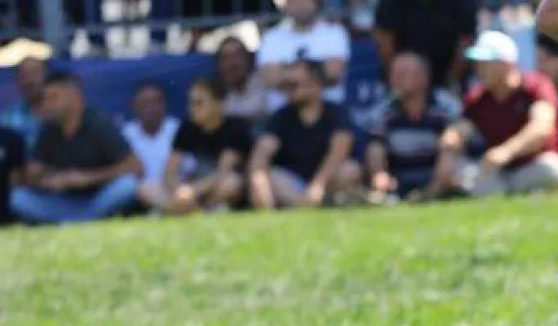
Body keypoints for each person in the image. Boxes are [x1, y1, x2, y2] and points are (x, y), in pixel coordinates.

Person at [8, 70, 142, 225]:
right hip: (62, 201)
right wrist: (49, 179)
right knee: (19, 198)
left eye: (53, 98)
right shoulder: (47, 129)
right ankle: (82, 220)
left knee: (127, 186)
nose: (46, 105)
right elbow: (34, 173)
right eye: (45, 99)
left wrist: (87, 178)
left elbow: (135, 167)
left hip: (98, 198)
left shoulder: (98, 125)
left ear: (74, 98)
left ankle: (78, 220)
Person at [454, 30, 558, 197]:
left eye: (485, 64)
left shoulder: (536, 86)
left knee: (552, 169)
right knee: (460, 171)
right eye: (478, 64)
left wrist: (506, 152)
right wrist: (448, 146)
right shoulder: (478, 97)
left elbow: (541, 128)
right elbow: (460, 130)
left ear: (506, 64)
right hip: (497, 172)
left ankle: (500, 190)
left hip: (533, 165)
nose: (479, 69)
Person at [247, 59, 361, 211]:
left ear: (316, 84)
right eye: (285, 86)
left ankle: (309, 206)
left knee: (350, 170)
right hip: (294, 184)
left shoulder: (337, 113)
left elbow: (338, 152)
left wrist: (318, 185)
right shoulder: (281, 116)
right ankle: (306, 206)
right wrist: (258, 180)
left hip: (326, 183)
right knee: (269, 176)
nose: (288, 90)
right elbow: (262, 153)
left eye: (293, 85)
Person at [137, 76, 251, 215]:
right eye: (190, 103)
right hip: (190, 188)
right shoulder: (187, 128)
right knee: (146, 188)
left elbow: (223, 172)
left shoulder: (235, 127)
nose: (192, 109)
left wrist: (193, 191)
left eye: (199, 103)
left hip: (214, 189)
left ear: (218, 103)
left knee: (231, 183)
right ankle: (186, 210)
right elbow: (170, 170)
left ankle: (194, 211)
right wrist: (178, 190)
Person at [366, 52, 462, 202]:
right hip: (399, 177)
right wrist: (379, 174)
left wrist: (442, 175)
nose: (396, 79)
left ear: (424, 77)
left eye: (403, 73)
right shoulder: (383, 111)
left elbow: (455, 135)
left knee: (451, 143)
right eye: (394, 73)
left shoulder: (445, 105)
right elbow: (376, 147)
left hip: (436, 174)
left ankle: (432, 195)